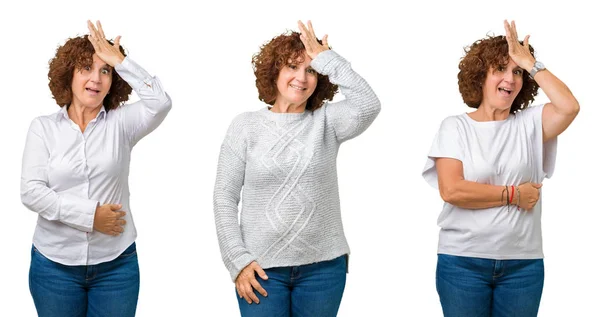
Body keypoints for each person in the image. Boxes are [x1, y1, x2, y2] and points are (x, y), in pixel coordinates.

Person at [213, 20, 380, 316]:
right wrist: (237, 261)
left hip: (323, 270)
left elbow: (369, 105)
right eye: (292, 66)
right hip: (261, 269)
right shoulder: (245, 126)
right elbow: (224, 197)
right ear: (275, 71)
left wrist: (329, 59)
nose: (301, 78)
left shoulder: (327, 120)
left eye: (311, 70)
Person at [422, 20, 579, 316]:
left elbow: (569, 107)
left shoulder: (531, 124)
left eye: (517, 72)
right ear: (481, 76)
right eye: (500, 69)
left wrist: (531, 62)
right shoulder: (455, 127)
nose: (510, 78)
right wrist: (513, 195)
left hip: (523, 267)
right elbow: (452, 190)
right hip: (462, 262)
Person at [21, 20, 171, 317]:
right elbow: (31, 192)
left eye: (106, 71)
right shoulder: (43, 129)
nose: (97, 78)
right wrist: (91, 217)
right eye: (86, 68)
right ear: (70, 75)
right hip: (54, 267)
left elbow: (161, 102)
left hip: (116, 268)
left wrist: (122, 61)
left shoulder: (122, 123)